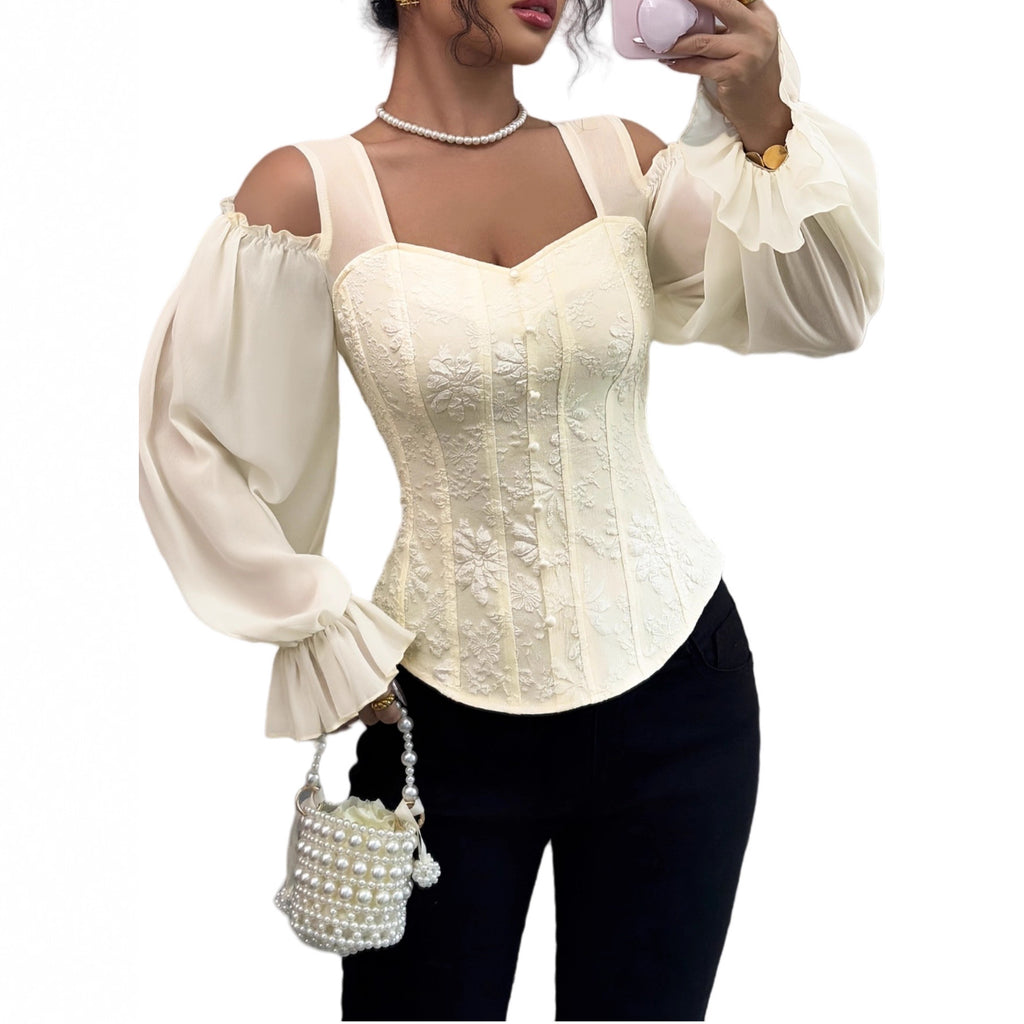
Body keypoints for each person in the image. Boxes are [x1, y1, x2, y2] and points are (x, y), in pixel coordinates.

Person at [138, 0, 884, 1018]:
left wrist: (763, 120)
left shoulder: (620, 161)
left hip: (680, 693)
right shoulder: (309, 190)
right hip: (439, 721)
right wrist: (319, 630)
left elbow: (828, 310)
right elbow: (191, 441)